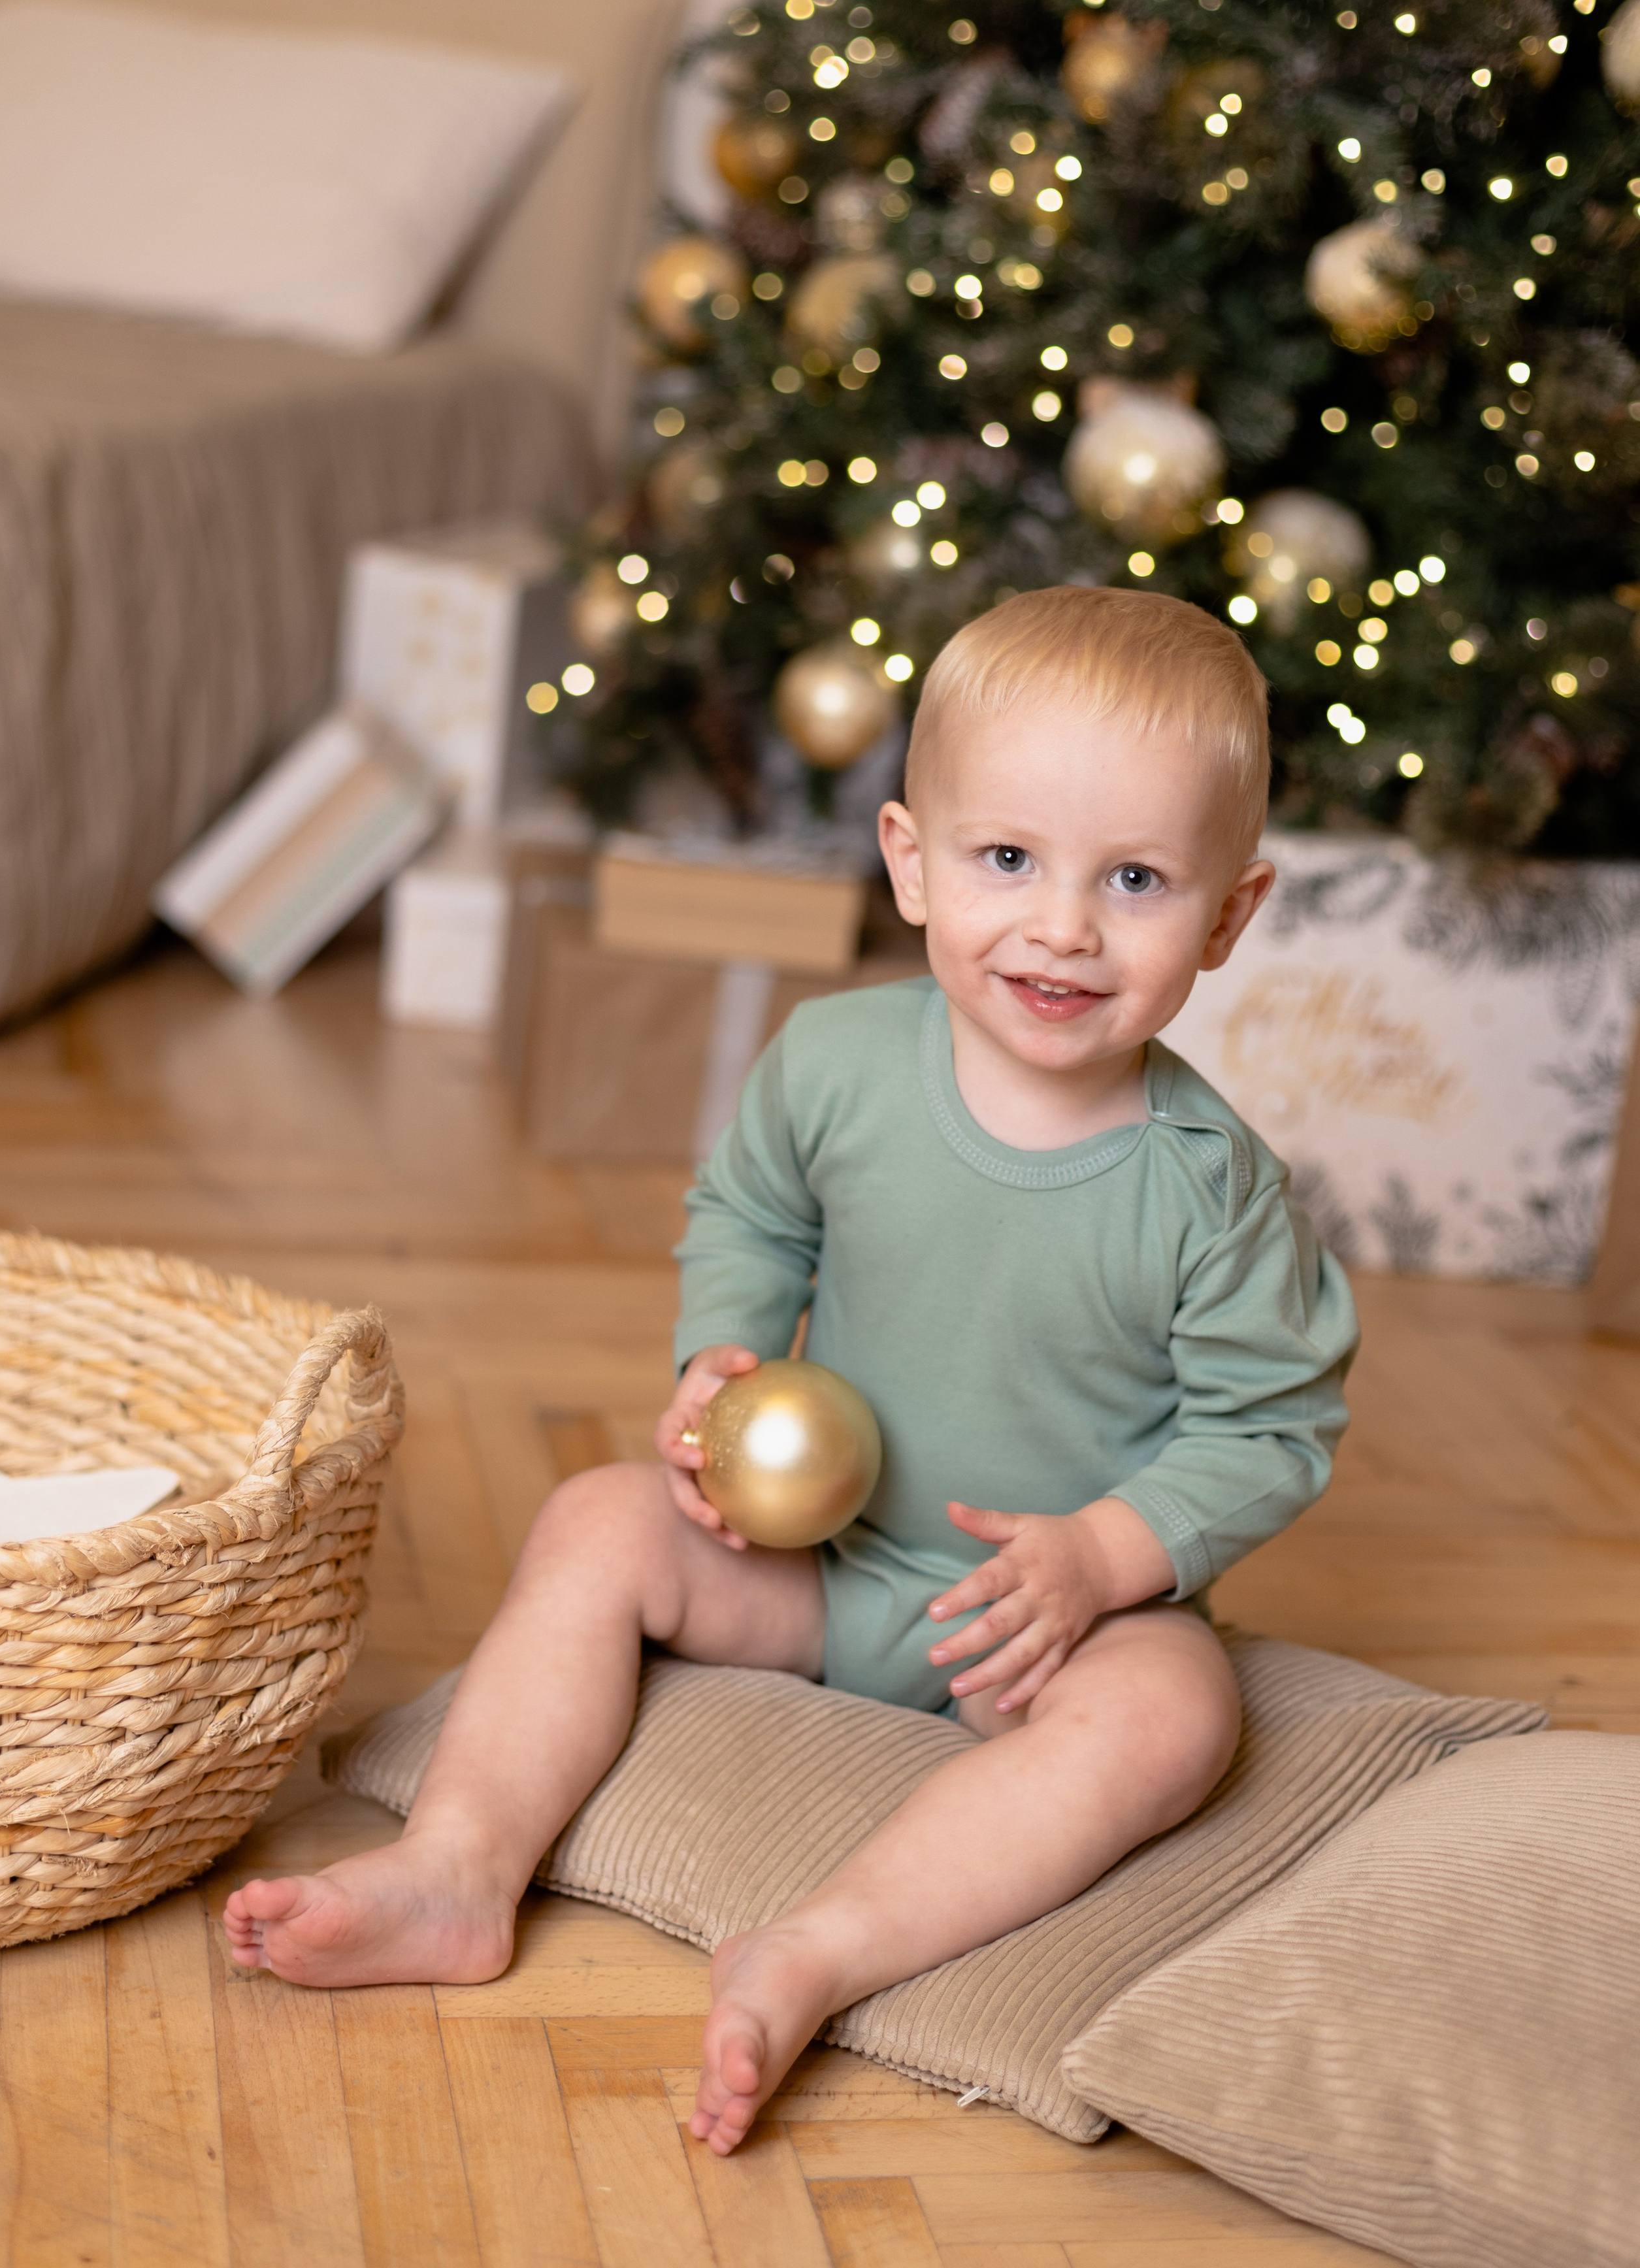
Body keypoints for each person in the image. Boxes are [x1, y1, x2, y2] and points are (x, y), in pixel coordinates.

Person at [225, 583, 1356, 2157]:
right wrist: (724, 1359)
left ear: (1227, 918)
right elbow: (748, 1217)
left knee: (1174, 1720)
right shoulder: (835, 1064)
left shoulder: (1208, 1186)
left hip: (1045, 1630)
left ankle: (816, 1949)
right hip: (823, 1559)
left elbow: (1271, 1425)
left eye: (1136, 880)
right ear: (909, 858)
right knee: (595, 1522)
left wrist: (1103, 1560)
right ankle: (457, 1870)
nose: (1062, 926)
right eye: (1007, 858)